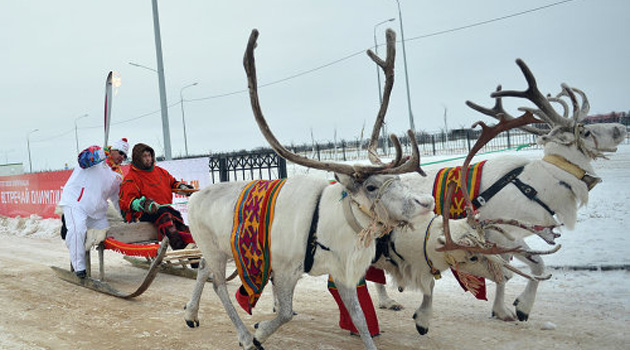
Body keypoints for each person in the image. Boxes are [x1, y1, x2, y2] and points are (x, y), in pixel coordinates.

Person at [59, 138, 129, 278]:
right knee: (78, 230)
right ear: (113, 149)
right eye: (120, 153)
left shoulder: (118, 174)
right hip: (75, 202)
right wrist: (101, 154)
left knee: (106, 234)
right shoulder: (96, 153)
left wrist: (125, 216)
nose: (122, 157)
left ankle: (68, 228)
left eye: (125, 156)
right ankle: (80, 268)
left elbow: (116, 199)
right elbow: (82, 160)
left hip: (97, 211)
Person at [118, 143, 195, 251]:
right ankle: (180, 248)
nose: (148, 159)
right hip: (145, 214)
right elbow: (128, 201)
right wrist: (143, 204)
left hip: (165, 210)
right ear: (138, 158)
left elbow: (173, 183)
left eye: (149, 155)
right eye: (144, 156)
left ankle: (193, 256)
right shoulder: (131, 178)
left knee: (181, 226)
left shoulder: (160, 172)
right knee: (165, 216)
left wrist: (183, 188)